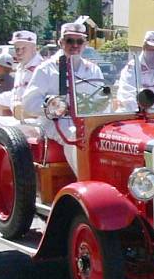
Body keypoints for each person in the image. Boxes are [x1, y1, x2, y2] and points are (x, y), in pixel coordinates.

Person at [22, 22, 104, 176]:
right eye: (69, 41)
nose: (75, 45)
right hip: (56, 122)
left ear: (85, 44)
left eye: (79, 41)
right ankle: (85, 181)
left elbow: (101, 100)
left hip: (87, 121)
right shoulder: (46, 69)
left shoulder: (93, 70)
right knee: (75, 135)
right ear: (60, 42)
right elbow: (29, 103)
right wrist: (54, 107)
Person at [0, 30, 43, 152]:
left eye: (23, 48)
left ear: (34, 48)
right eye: (16, 49)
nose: (19, 52)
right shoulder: (22, 68)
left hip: (36, 121)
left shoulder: (41, 69)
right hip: (21, 118)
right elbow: (14, 96)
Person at [116, 30, 154, 111]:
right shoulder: (131, 69)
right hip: (133, 117)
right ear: (144, 48)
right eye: (152, 50)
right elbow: (127, 100)